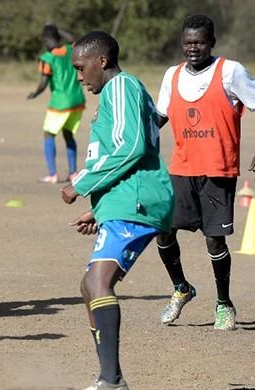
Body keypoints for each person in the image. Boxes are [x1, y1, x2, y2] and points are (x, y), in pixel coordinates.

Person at [61, 31, 174, 390]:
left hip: (138, 198)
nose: (80, 77)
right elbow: (150, 125)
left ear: (102, 62)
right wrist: (101, 208)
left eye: (81, 68)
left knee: (99, 281)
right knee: (88, 285)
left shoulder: (121, 86)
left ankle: (111, 381)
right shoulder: (117, 92)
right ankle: (110, 377)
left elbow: (131, 147)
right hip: (124, 198)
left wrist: (81, 184)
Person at [154, 14, 255, 330]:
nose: (193, 48)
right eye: (188, 42)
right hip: (181, 168)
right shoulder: (172, 75)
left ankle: (223, 304)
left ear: (212, 43)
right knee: (163, 231)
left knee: (214, 242)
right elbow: (159, 117)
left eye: (200, 42)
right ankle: (181, 288)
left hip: (218, 170)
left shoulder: (230, 72)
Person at [27, 23, 85, 184]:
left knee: (48, 134)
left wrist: (35, 93)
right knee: (68, 134)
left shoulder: (47, 58)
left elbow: (43, 83)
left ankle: (52, 174)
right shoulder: (70, 50)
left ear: (46, 40)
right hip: (77, 101)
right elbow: (76, 39)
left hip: (60, 103)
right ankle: (73, 173)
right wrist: (58, 30)